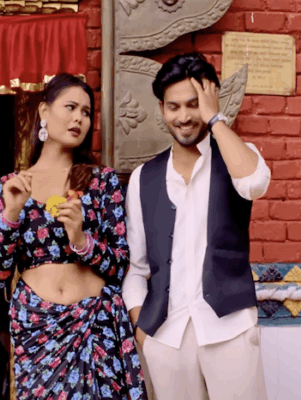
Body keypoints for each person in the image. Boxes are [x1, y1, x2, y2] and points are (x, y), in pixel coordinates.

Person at [0, 73, 147, 400]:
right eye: (70, 107)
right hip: (38, 331)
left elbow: (120, 265)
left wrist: (82, 241)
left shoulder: (101, 182)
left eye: (86, 112)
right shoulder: (13, 185)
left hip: (95, 326)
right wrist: (11, 214)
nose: (79, 119)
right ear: (44, 111)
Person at [122, 53, 271, 400]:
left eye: (193, 104)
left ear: (209, 99)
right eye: (173, 107)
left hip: (229, 328)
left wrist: (215, 118)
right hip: (165, 336)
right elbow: (136, 267)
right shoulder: (144, 178)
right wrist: (141, 325)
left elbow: (255, 183)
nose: (184, 117)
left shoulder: (237, 156)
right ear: (161, 109)